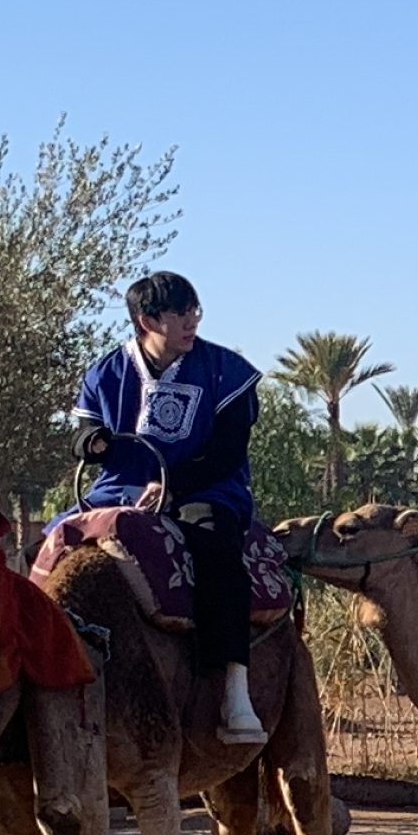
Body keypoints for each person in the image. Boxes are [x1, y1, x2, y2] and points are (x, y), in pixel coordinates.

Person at [75, 272, 269, 742]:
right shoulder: (105, 373)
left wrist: (170, 488)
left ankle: (234, 691)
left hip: (206, 490)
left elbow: (227, 453)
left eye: (194, 310)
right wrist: (92, 444)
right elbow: (82, 433)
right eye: (180, 313)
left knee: (215, 546)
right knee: (52, 550)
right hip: (118, 490)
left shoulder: (227, 373)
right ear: (147, 320)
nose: (192, 321)